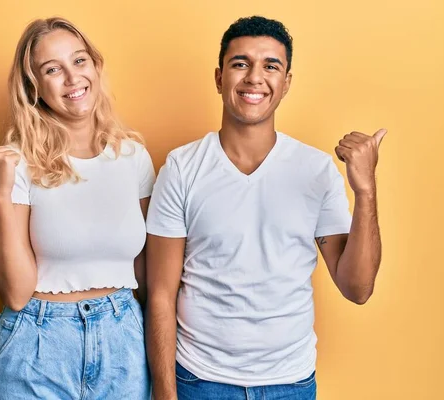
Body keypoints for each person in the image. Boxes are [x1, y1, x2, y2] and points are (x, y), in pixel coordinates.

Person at [145, 15, 386, 400]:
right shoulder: (181, 168)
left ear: (286, 82)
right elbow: (160, 292)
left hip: (290, 383)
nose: (255, 77)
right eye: (240, 63)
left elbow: (357, 288)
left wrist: (366, 191)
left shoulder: (316, 171)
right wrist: (165, 392)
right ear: (219, 78)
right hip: (199, 380)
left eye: (270, 65)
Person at [0, 17, 154, 400]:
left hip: (122, 339)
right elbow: (16, 294)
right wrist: (1, 193)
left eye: (79, 61)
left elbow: (148, 273)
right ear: (33, 87)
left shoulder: (134, 158)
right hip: (36, 342)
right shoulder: (15, 164)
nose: (72, 78)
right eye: (52, 69)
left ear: (95, 66)